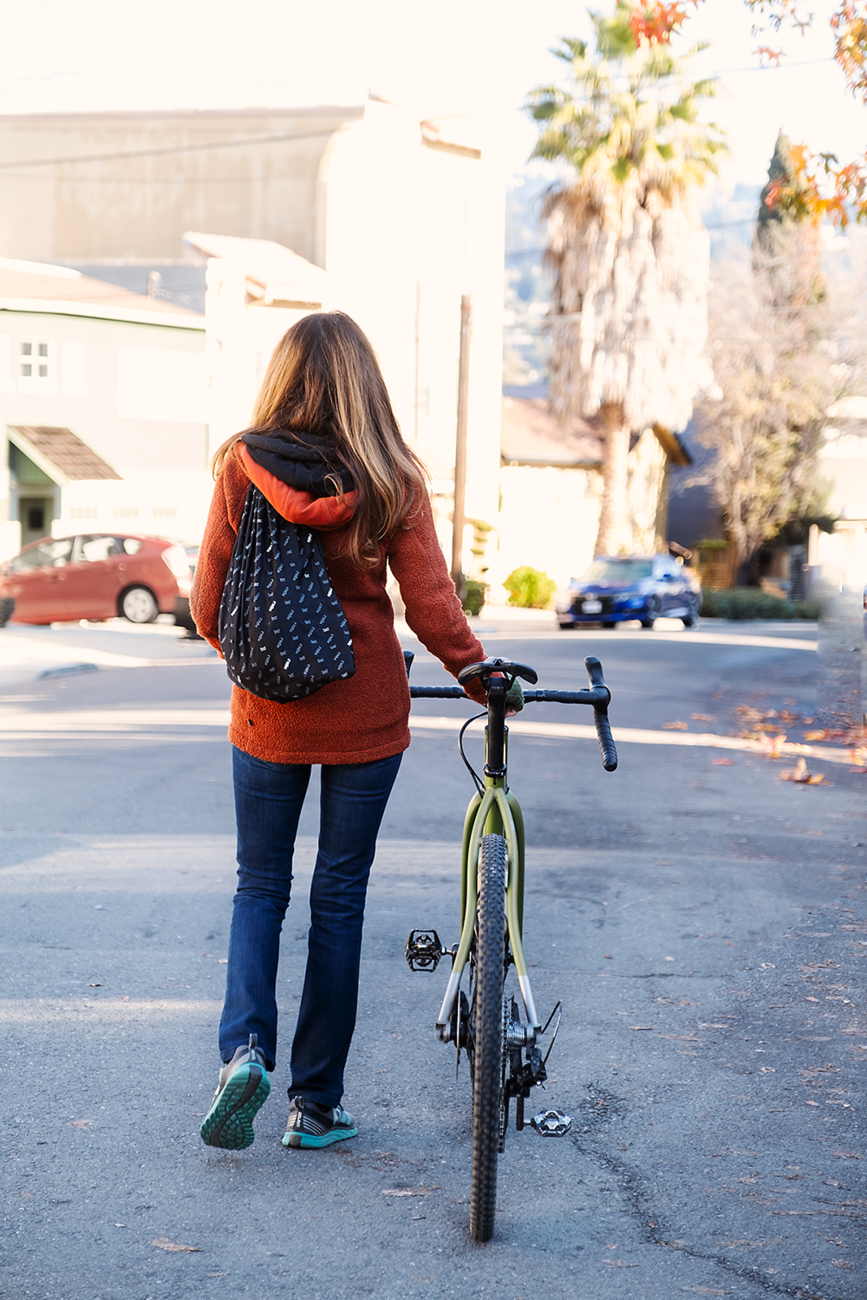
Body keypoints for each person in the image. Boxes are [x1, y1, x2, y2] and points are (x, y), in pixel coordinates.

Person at [191, 311, 507, 1153]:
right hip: (365, 707)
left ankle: (242, 1056)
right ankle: (314, 1104)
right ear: (366, 380)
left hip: (269, 716)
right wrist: (481, 675)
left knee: (259, 885)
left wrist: (264, 666)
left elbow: (204, 606)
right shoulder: (391, 473)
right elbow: (430, 603)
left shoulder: (241, 465)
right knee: (339, 897)